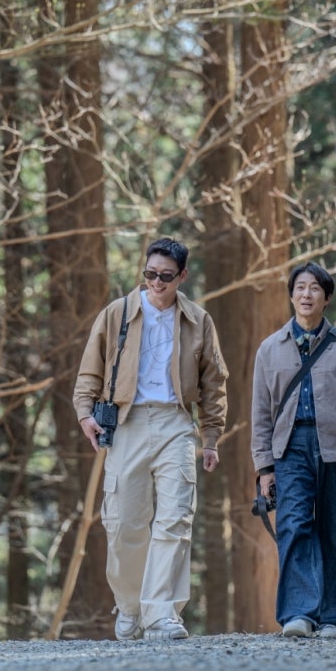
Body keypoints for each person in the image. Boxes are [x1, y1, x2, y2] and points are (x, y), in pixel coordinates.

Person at [73, 237, 228, 641]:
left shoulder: (198, 320)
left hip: (176, 423)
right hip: (127, 423)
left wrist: (210, 438)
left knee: (175, 519)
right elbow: (89, 369)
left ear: (182, 276)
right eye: (150, 274)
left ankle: (161, 613)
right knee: (124, 523)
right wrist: (85, 414)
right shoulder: (118, 313)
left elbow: (215, 384)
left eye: (165, 276)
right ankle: (129, 607)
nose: (156, 283)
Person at [251, 262, 336, 639]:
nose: (306, 294)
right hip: (290, 448)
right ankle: (298, 613)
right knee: (294, 526)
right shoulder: (270, 349)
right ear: (291, 295)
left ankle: (331, 618)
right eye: (300, 287)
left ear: (326, 298)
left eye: (314, 289)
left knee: (335, 532)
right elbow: (260, 412)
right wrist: (264, 466)